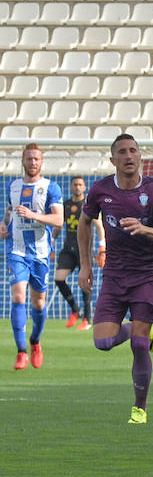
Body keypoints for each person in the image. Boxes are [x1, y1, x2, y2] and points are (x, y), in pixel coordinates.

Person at [78, 134, 153, 425]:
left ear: (140, 156)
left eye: (133, 150)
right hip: (114, 275)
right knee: (104, 342)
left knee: (138, 345)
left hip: (147, 274)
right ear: (113, 160)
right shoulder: (100, 190)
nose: (129, 155)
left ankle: (140, 408)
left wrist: (145, 229)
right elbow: (85, 223)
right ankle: (142, 329)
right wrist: (85, 266)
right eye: (122, 151)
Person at [1, 143, 63, 370]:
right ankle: (21, 351)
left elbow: (58, 220)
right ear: (23, 161)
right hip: (16, 250)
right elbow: (10, 209)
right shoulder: (13, 186)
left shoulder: (50, 187)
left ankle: (35, 342)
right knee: (18, 297)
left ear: (41, 162)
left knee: (38, 302)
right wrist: (4, 224)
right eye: (29, 159)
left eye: (36, 159)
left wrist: (33, 215)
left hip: (40, 254)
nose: (33, 162)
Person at [52, 176, 105, 332]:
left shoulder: (89, 205)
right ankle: (75, 309)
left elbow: (100, 227)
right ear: (70, 187)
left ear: (84, 187)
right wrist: (52, 243)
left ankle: (87, 320)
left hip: (85, 251)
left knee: (85, 284)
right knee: (59, 279)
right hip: (68, 249)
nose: (77, 187)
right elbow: (58, 226)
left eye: (80, 184)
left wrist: (102, 249)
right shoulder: (66, 205)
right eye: (74, 184)